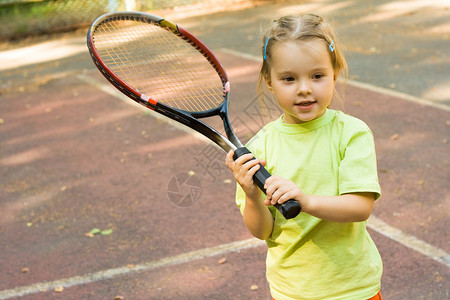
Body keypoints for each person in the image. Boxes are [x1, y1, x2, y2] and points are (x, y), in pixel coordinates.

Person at [225, 14, 383, 300]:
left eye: (317, 75)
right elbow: (262, 230)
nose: (304, 88)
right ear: (269, 82)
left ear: (335, 72)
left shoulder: (351, 133)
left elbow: (360, 207)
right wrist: (251, 195)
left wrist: (306, 201)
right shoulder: (259, 148)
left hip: (353, 289)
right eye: (288, 78)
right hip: (291, 291)